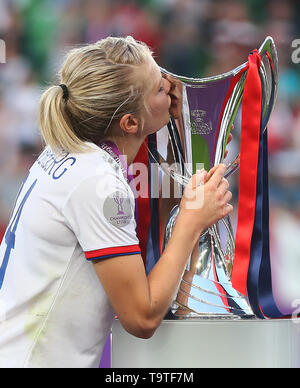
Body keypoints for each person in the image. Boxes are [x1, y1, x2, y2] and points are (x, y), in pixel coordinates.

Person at [0, 36, 232, 368]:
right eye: (157, 87)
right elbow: (142, 316)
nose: (170, 86)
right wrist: (191, 222)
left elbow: (155, 198)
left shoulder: (72, 152)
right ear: (130, 123)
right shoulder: (97, 182)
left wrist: (185, 138)